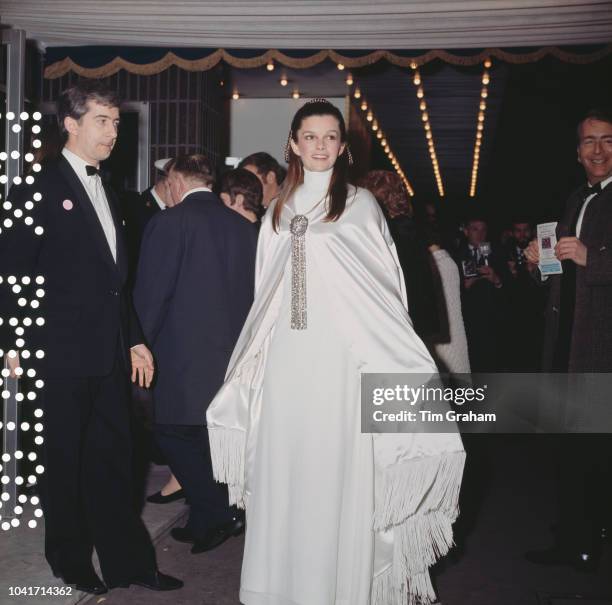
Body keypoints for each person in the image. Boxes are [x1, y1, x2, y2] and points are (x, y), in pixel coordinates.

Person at [206, 99, 465, 605]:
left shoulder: (360, 204)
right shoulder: (278, 207)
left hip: (343, 361)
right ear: (294, 143)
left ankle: (339, 587)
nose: (320, 146)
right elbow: (266, 291)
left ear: (342, 146)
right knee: (286, 468)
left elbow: (384, 289)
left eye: (330, 137)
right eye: (310, 136)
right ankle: (282, 586)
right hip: (288, 360)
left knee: (335, 469)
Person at [0, 81, 182, 594]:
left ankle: (129, 563)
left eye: (117, 122)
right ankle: (68, 559)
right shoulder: (34, 188)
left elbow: (114, 282)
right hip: (55, 352)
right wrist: (12, 342)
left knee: (113, 463)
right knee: (63, 463)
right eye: (102, 121)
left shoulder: (114, 193)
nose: (113, 132)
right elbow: (13, 270)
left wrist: (135, 338)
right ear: (71, 125)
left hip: (105, 352)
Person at [133, 154, 258, 554]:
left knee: (170, 433)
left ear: (176, 182)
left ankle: (218, 512)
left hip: (181, 355)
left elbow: (152, 294)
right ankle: (205, 519)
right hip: (233, 354)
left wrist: (136, 342)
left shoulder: (169, 223)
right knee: (207, 439)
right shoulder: (244, 228)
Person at [524, 108, 612, 571]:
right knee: (570, 446)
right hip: (567, 344)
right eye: (589, 142)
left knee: (591, 450)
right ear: (577, 152)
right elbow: (564, 271)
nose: (598, 150)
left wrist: (592, 256)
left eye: (607, 140)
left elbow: (591, 260)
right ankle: (577, 530)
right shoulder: (576, 197)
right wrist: (542, 266)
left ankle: (583, 544)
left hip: (601, 349)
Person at [454, 215, 508, 371]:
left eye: (484, 229)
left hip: (495, 320)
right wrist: (463, 287)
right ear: (465, 231)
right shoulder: (455, 255)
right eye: (475, 229)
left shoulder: (498, 252)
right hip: (468, 321)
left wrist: (497, 279)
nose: (480, 234)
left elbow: (511, 290)